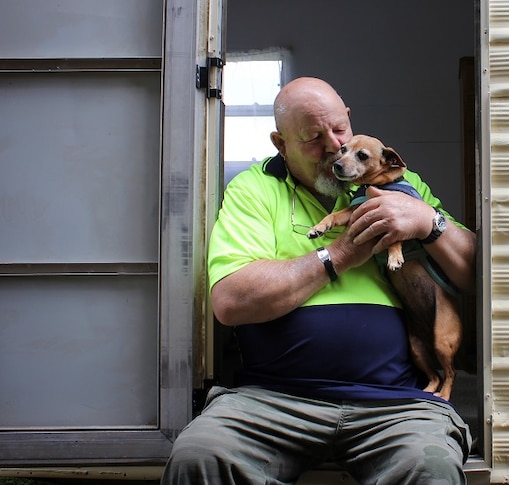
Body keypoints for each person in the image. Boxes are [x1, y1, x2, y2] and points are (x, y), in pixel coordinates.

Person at [161, 77, 476, 484]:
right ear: (281, 144)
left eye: (339, 130)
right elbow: (231, 301)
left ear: (349, 119)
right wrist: (341, 253)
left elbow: (476, 275)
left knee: (430, 465)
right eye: (312, 137)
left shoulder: (396, 181)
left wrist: (429, 223)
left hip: (395, 403)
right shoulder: (254, 189)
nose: (333, 148)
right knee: (198, 457)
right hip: (272, 400)